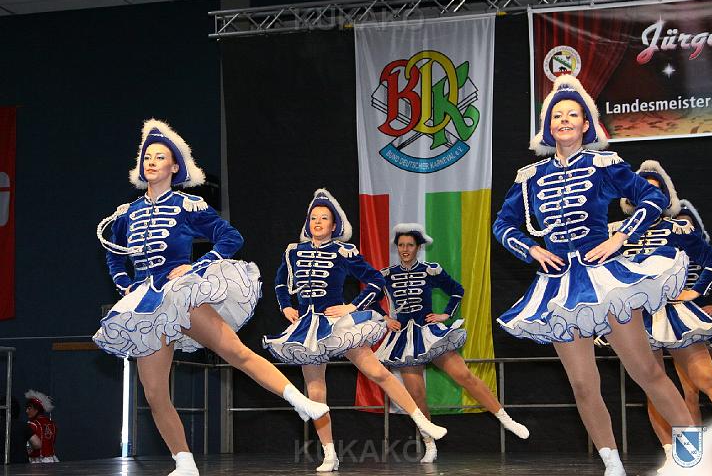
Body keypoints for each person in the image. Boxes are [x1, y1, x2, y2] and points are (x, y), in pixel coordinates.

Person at [94, 120, 329, 476]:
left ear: (175, 167)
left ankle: (299, 401)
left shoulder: (188, 205)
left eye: (160, 157)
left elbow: (230, 237)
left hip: (180, 294)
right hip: (146, 305)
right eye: (147, 157)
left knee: (236, 352)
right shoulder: (126, 213)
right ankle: (184, 462)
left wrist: (197, 266)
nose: (152, 162)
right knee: (154, 392)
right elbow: (114, 253)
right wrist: (124, 283)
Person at [492, 75, 694, 476]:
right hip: (559, 290)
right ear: (548, 127)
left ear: (586, 124)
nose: (564, 120)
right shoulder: (529, 177)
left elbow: (653, 197)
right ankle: (612, 465)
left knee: (646, 371)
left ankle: (695, 457)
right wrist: (531, 249)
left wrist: (621, 236)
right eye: (557, 116)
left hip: (606, 282)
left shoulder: (605, 164)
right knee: (583, 384)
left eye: (573, 115)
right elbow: (503, 224)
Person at [263, 189, 447, 472]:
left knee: (377, 372)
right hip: (308, 329)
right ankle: (329, 453)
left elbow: (375, 281)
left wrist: (351, 306)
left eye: (324, 218)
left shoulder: (343, 251)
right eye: (314, 218)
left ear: (334, 225)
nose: (318, 222)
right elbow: (280, 282)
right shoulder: (293, 251)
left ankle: (423, 423)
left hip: (339, 325)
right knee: (315, 391)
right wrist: (286, 306)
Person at [373, 223, 529, 463]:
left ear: (418, 247)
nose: (405, 249)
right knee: (416, 394)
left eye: (410, 245)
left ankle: (505, 419)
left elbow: (457, 290)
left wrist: (445, 314)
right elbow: (370, 298)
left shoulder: (430, 271)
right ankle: (429, 444)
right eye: (401, 245)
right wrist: (386, 318)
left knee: (464, 375)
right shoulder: (386, 275)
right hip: (405, 339)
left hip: (430, 333)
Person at [614, 178, 712, 474]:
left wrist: (694, 292)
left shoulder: (677, 229)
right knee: (656, 388)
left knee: (707, 379)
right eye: (643, 189)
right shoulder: (614, 234)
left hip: (674, 315)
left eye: (656, 190)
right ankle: (680, 457)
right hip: (635, 318)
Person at [25, 390, 58, 463]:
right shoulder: (52, 424)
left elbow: (29, 447)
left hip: (36, 461)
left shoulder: (32, 424)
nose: (26, 411)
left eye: (29, 408)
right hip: (51, 460)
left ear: (36, 410)